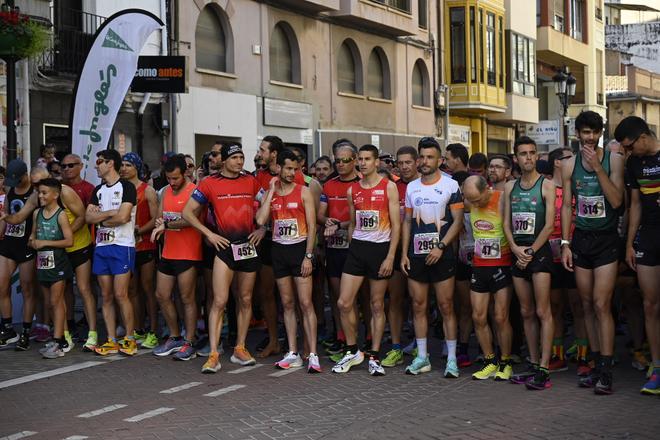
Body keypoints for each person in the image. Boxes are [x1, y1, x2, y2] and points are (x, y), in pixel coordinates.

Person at [182, 143, 265, 373]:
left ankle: (240, 348)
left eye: (242, 157)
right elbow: (187, 212)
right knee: (219, 301)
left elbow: (269, 206)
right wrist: (209, 234)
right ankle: (213, 354)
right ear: (225, 161)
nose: (240, 161)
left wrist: (263, 228)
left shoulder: (251, 181)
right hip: (225, 248)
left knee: (245, 298)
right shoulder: (209, 183)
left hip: (248, 247)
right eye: (235, 157)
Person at [561, 111, 625, 395]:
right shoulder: (568, 165)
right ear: (577, 134)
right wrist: (564, 243)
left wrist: (598, 168)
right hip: (581, 239)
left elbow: (617, 201)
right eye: (585, 132)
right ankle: (595, 362)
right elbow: (566, 206)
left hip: (607, 239)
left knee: (602, 304)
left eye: (595, 132)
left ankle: (607, 370)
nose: (589, 137)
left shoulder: (615, 160)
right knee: (586, 305)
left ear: (601, 133)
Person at [332, 144, 400, 376]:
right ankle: (353, 351)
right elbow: (353, 222)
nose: (362, 163)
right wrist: (352, 245)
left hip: (381, 249)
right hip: (358, 249)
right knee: (343, 302)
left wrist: (391, 256)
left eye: (367, 159)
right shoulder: (353, 190)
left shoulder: (389, 187)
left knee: (376, 304)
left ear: (377, 161)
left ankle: (374, 355)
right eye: (359, 159)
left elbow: (396, 225)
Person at [400, 138, 464, 377]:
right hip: (416, 256)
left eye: (430, 157)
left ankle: (452, 360)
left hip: (442, 255)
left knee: (446, 306)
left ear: (440, 160)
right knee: (418, 306)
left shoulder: (451, 186)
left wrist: (441, 246)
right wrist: (404, 253)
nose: (424, 161)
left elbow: (458, 222)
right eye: (422, 157)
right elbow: (407, 221)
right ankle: (423, 357)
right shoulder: (411, 187)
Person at [256, 149, 321, 373]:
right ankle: (293, 352)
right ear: (278, 168)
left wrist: (308, 256)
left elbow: (312, 226)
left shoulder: (303, 192)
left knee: (305, 303)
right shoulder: (270, 191)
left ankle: (312, 353)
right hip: (279, 251)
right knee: (287, 304)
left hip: (299, 250)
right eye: (288, 168)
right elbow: (260, 220)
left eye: (296, 169)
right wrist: (271, 191)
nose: (293, 173)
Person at [504, 136, 556, 391]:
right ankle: (534, 363)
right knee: (525, 311)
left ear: (537, 156)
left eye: (532, 153)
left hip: (539, 253)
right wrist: (516, 249)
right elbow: (505, 222)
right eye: (523, 153)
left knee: (542, 310)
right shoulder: (509, 187)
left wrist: (531, 251)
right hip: (518, 252)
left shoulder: (546, 185)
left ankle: (545, 368)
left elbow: (549, 224)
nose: (527, 157)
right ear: (516, 157)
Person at [614, 116, 660, 395]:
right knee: (650, 304)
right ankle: (657, 366)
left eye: (630, 146)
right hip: (648, 238)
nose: (627, 153)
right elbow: (634, 206)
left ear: (643, 137)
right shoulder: (633, 164)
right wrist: (630, 244)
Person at [254, 136, 304, 357]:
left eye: (263, 150)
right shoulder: (262, 176)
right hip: (268, 242)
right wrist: (262, 227)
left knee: (296, 297)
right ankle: (274, 340)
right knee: (267, 292)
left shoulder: (295, 174)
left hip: (294, 243)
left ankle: (300, 344)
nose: (259, 153)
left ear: (274, 154)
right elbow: (260, 207)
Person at [86, 149, 139, 356]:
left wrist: (101, 218)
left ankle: (130, 337)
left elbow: (124, 217)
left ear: (110, 164)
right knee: (106, 295)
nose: (96, 165)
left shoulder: (127, 187)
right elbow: (88, 218)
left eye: (99, 161)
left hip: (122, 245)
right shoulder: (97, 190)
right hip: (102, 247)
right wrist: (109, 214)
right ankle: (111, 339)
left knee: (121, 294)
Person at [151, 155, 203, 361]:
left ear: (185, 173)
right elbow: (161, 217)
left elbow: (190, 220)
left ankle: (189, 341)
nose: (172, 182)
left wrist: (167, 225)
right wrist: (159, 225)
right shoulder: (165, 191)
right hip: (168, 251)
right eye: (168, 178)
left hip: (188, 251)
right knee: (161, 295)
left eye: (175, 178)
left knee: (187, 298)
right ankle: (175, 336)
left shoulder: (195, 192)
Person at [463, 176, 514, 381]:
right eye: (470, 200)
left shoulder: (501, 199)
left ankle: (506, 361)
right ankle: (490, 360)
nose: (474, 204)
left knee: (501, 316)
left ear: (487, 190)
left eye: (477, 200)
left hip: (501, 263)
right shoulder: (469, 200)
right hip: (479, 264)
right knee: (478, 316)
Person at [546, 147, 588, 375]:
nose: (573, 161)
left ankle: (584, 356)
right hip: (550, 253)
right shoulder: (545, 187)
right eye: (568, 158)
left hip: (573, 250)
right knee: (554, 307)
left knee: (579, 306)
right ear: (557, 163)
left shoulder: (577, 187)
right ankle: (557, 355)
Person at [318, 142, 360, 357]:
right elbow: (320, 215)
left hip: (356, 246)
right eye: (338, 161)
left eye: (346, 160)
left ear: (355, 160)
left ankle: (365, 338)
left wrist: (341, 226)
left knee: (362, 298)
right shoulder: (329, 185)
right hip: (334, 246)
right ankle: (342, 337)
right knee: (337, 296)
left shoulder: (362, 183)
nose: (341, 164)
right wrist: (327, 221)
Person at [381, 145, 419, 368]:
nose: (404, 167)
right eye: (400, 163)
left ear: (416, 163)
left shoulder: (423, 186)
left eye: (408, 162)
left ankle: (418, 344)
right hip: (395, 250)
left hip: (418, 249)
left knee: (418, 302)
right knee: (395, 299)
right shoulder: (392, 188)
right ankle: (396, 347)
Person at [29, 178, 74, 358]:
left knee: (56, 301)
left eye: (44, 192)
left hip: (58, 263)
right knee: (49, 303)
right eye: (39, 192)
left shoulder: (61, 214)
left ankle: (59, 341)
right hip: (42, 263)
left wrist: (45, 242)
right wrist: (33, 241)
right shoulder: (36, 213)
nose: (40, 195)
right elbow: (33, 235)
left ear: (55, 195)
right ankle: (58, 338)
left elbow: (69, 241)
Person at [121, 152, 159, 348]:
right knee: (132, 289)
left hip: (145, 244)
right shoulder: (120, 189)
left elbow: (155, 219)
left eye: (128, 164)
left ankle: (153, 329)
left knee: (148, 288)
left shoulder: (148, 191)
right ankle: (137, 328)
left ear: (136, 167)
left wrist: (139, 231)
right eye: (122, 165)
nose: (124, 168)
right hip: (127, 245)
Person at [60, 154, 97, 350]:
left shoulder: (88, 188)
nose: (67, 169)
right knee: (64, 289)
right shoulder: (56, 189)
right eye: (63, 166)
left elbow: (87, 217)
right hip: (61, 249)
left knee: (84, 288)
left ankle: (92, 330)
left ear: (81, 166)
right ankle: (69, 326)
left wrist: (66, 234)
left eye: (71, 165)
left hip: (82, 245)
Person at [0, 160, 36, 348]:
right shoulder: (10, 189)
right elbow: (5, 215)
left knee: (28, 289)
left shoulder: (35, 192)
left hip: (26, 245)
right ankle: (8, 328)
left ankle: (26, 330)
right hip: (9, 243)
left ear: (25, 175)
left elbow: (22, 217)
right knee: (2, 285)